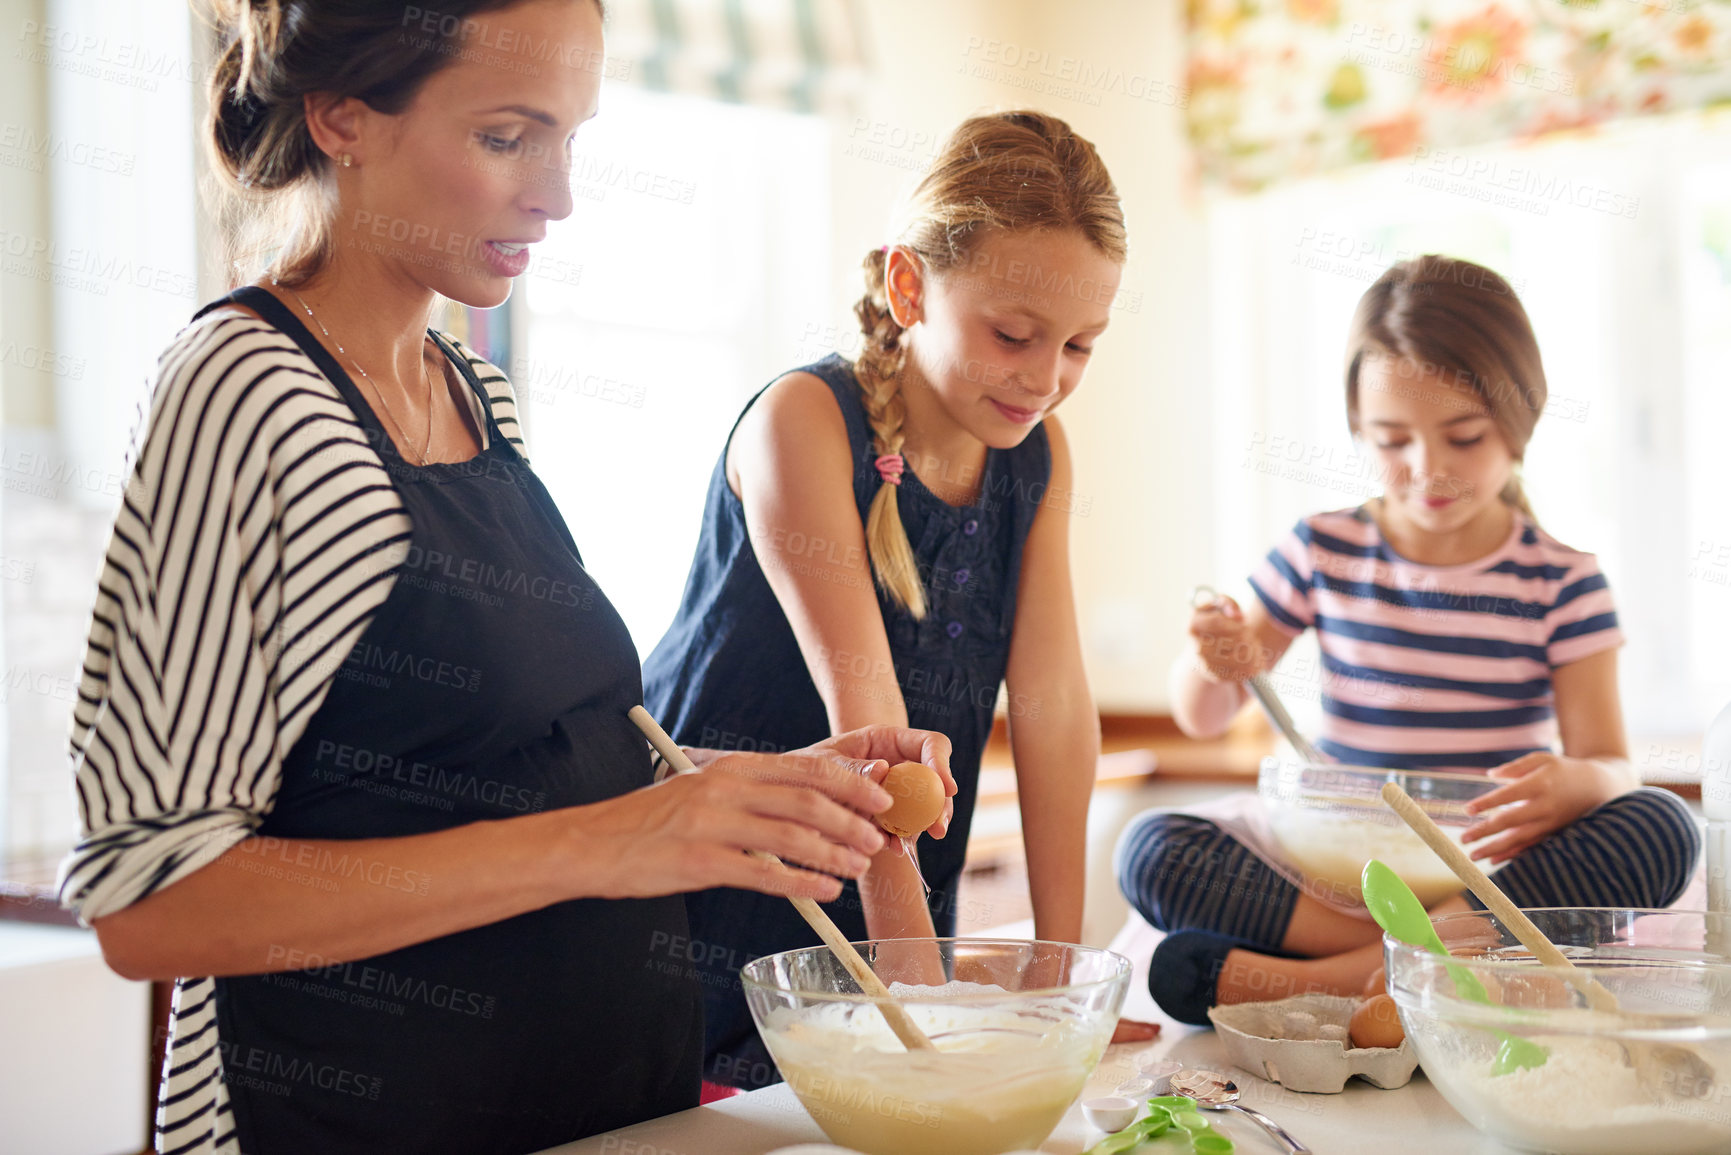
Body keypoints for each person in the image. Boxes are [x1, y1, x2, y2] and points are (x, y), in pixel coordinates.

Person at [57, 3, 950, 1152]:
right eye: (505, 137)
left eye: (569, 139)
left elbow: (507, 770)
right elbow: (150, 902)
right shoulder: (245, 394)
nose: (557, 194)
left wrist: (762, 788)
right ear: (341, 118)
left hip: (600, 1109)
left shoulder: (473, 391)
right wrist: (621, 840)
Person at [642, 110, 1124, 1090]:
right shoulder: (804, 423)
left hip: (884, 896)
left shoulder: (1034, 458)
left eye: (1079, 346)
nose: (1045, 379)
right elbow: (874, 741)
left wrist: (1059, 983)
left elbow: (1054, 709)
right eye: (1015, 335)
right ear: (909, 286)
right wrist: (916, 1012)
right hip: (707, 894)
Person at [1115, 255, 1700, 1024]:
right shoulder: (1322, 548)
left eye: (1462, 436)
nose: (1428, 469)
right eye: (1392, 441)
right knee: (1150, 847)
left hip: (1486, 870)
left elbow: (1610, 762)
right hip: (1338, 871)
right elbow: (1204, 715)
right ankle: (1419, 963)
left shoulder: (1562, 580)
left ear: (1519, 420)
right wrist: (1207, 658)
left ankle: (1334, 975)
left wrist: (1577, 783)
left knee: (1658, 828)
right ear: (1358, 428)